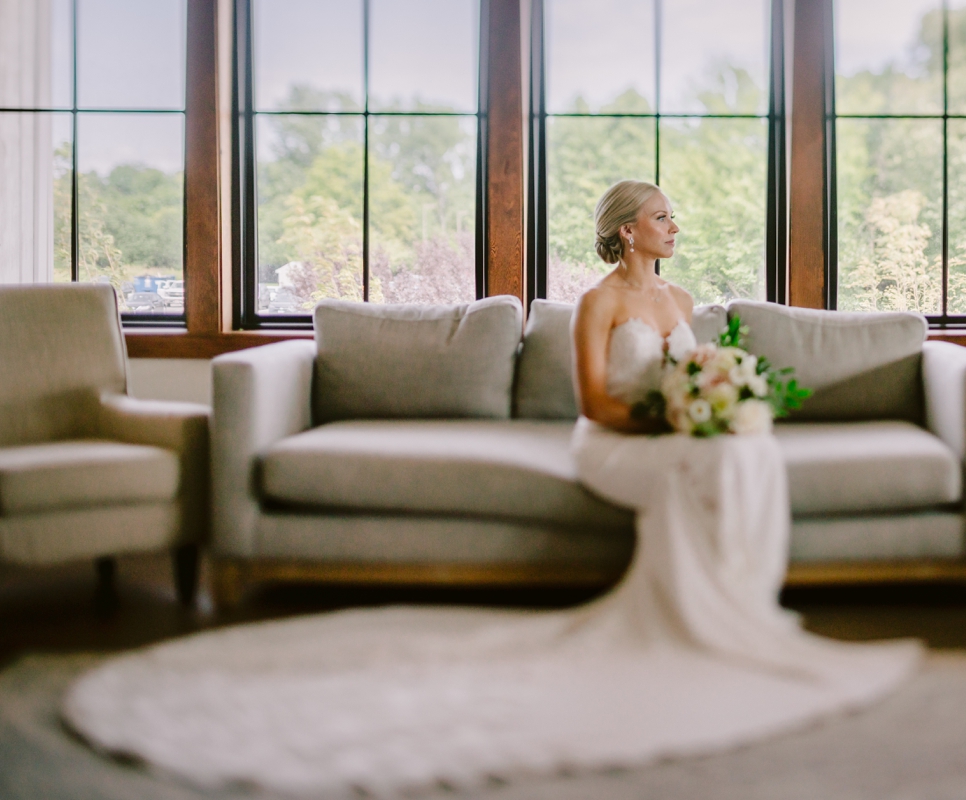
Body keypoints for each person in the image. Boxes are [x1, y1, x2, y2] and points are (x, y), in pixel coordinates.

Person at [61, 181, 921, 797]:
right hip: (611, 442)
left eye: (672, 214)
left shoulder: (685, 298)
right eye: (660, 215)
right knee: (716, 455)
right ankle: (705, 617)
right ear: (625, 231)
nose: (673, 223)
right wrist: (673, 423)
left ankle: (739, 609)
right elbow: (597, 402)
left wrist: (709, 409)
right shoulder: (596, 304)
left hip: (672, 431)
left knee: (745, 450)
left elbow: (693, 373)